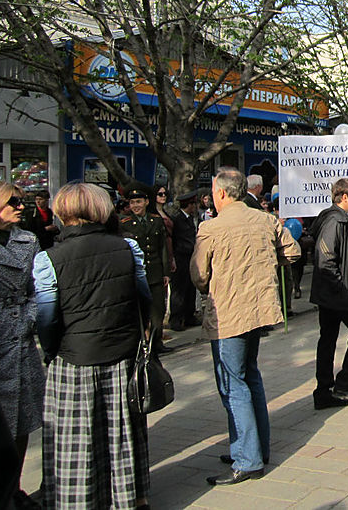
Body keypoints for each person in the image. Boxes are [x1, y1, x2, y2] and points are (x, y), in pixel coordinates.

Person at [33, 182, 151, 509]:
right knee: (122, 435)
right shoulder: (127, 247)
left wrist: (51, 350)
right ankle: (129, 498)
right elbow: (143, 299)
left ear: (63, 212)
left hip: (74, 358)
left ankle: (82, 500)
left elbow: (46, 319)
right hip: (122, 353)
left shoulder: (49, 259)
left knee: (78, 440)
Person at [191, 167, 300, 485]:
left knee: (233, 384)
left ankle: (248, 458)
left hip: (228, 316)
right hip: (258, 311)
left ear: (222, 193)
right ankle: (253, 448)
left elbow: (199, 275)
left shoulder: (211, 228)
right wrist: (266, 267)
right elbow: (293, 252)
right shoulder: (265, 219)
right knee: (250, 377)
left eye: (213, 190)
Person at [0, 182, 45, 509]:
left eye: (22, 201)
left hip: (22, 346)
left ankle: (13, 490)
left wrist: (27, 317)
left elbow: (37, 289)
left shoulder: (28, 240)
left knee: (23, 423)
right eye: (13, 201)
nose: (20, 206)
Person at [309, 179, 348, 409]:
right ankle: (344, 385)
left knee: (327, 339)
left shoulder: (334, 218)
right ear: (344, 197)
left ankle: (324, 391)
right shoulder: (335, 221)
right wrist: (344, 291)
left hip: (331, 293)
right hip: (337, 294)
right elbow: (325, 259)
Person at [121, 185, 172, 354]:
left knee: (158, 310)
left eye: (139, 201)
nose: (136, 205)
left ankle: (156, 343)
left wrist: (166, 272)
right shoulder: (125, 224)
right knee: (139, 312)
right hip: (137, 274)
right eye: (132, 202)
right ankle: (142, 344)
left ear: (146, 202)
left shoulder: (156, 220)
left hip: (155, 272)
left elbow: (162, 248)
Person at [168, 190, 199, 331]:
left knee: (190, 288)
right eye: (193, 204)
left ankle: (189, 315)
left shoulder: (190, 219)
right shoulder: (177, 219)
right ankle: (176, 318)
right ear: (189, 205)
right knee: (179, 289)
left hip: (191, 256)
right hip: (180, 257)